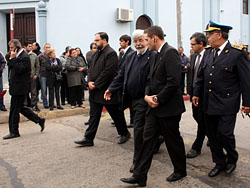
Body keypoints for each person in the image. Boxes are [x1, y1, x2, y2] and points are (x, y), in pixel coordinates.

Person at [120, 26, 186, 187]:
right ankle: (140, 176)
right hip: (153, 107)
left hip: (169, 108)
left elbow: (173, 82)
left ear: (154, 38)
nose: (145, 42)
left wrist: (157, 98)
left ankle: (180, 170)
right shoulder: (155, 55)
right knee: (147, 139)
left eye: (147, 39)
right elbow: (150, 80)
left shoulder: (170, 53)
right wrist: (147, 96)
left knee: (173, 140)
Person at [192, 20, 250, 177]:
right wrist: (196, 93)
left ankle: (232, 159)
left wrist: (247, 103)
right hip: (209, 102)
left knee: (225, 133)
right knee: (212, 135)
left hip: (227, 103)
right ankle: (219, 162)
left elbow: (246, 80)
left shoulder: (237, 54)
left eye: (209, 34)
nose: (207, 37)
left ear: (219, 35)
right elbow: (201, 77)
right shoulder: (209, 52)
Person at [104, 29, 155, 173]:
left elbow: (152, 79)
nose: (138, 44)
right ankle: (157, 139)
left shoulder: (153, 56)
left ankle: (137, 162)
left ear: (147, 41)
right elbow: (121, 75)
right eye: (136, 41)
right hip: (131, 99)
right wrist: (111, 89)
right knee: (146, 129)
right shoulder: (131, 56)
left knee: (138, 131)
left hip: (144, 99)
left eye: (141, 40)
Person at [74, 32, 130, 146]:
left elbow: (108, 72)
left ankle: (124, 133)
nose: (95, 42)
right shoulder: (96, 54)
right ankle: (88, 138)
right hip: (95, 91)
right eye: (94, 40)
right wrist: (89, 81)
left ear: (104, 40)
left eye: (97, 40)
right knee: (94, 116)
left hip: (106, 91)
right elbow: (90, 69)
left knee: (116, 114)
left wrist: (96, 84)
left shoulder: (111, 53)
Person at [3, 39, 45, 140]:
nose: (11, 50)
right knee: (21, 108)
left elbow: (19, 70)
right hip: (16, 87)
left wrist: (13, 59)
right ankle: (39, 120)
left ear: (17, 47)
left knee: (14, 111)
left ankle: (14, 131)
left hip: (20, 88)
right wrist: (12, 58)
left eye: (12, 48)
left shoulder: (25, 57)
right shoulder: (16, 56)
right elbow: (11, 66)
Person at [186, 32, 208, 158]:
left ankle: (197, 147)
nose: (191, 47)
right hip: (195, 93)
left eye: (193, 44)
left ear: (201, 44)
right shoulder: (194, 56)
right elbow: (192, 75)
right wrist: (191, 92)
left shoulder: (209, 56)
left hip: (205, 95)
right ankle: (211, 134)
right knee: (197, 116)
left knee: (202, 120)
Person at [117, 34, 135, 128]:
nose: (120, 43)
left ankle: (132, 121)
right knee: (123, 103)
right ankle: (119, 119)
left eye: (121, 41)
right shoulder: (122, 53)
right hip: (122, 82)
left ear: (127, 42)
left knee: (130, 104)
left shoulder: (131, 53)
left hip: (128, 83)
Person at [23, 42, 40, 112]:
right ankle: (25, 104)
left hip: (32, 76)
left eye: (31, 46)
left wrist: (36, 74)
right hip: (24, 77)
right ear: (25, 47)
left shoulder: (34, 55)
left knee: (33, 92)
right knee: (24, 91)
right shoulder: (22, 55)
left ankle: (34, 105)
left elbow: (37, 65)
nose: (31, 47)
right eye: (29, 46)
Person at [38, 43, 51, 109]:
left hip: (50, 75)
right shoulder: (40, 56)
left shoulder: (51, 55)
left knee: (51, 89)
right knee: (44, 90)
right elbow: (38, 65)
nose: (48, 49)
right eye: (46, 47)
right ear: (44, 48)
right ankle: (45, 103)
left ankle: (51, 103)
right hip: (43, 74)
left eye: (49, 47)